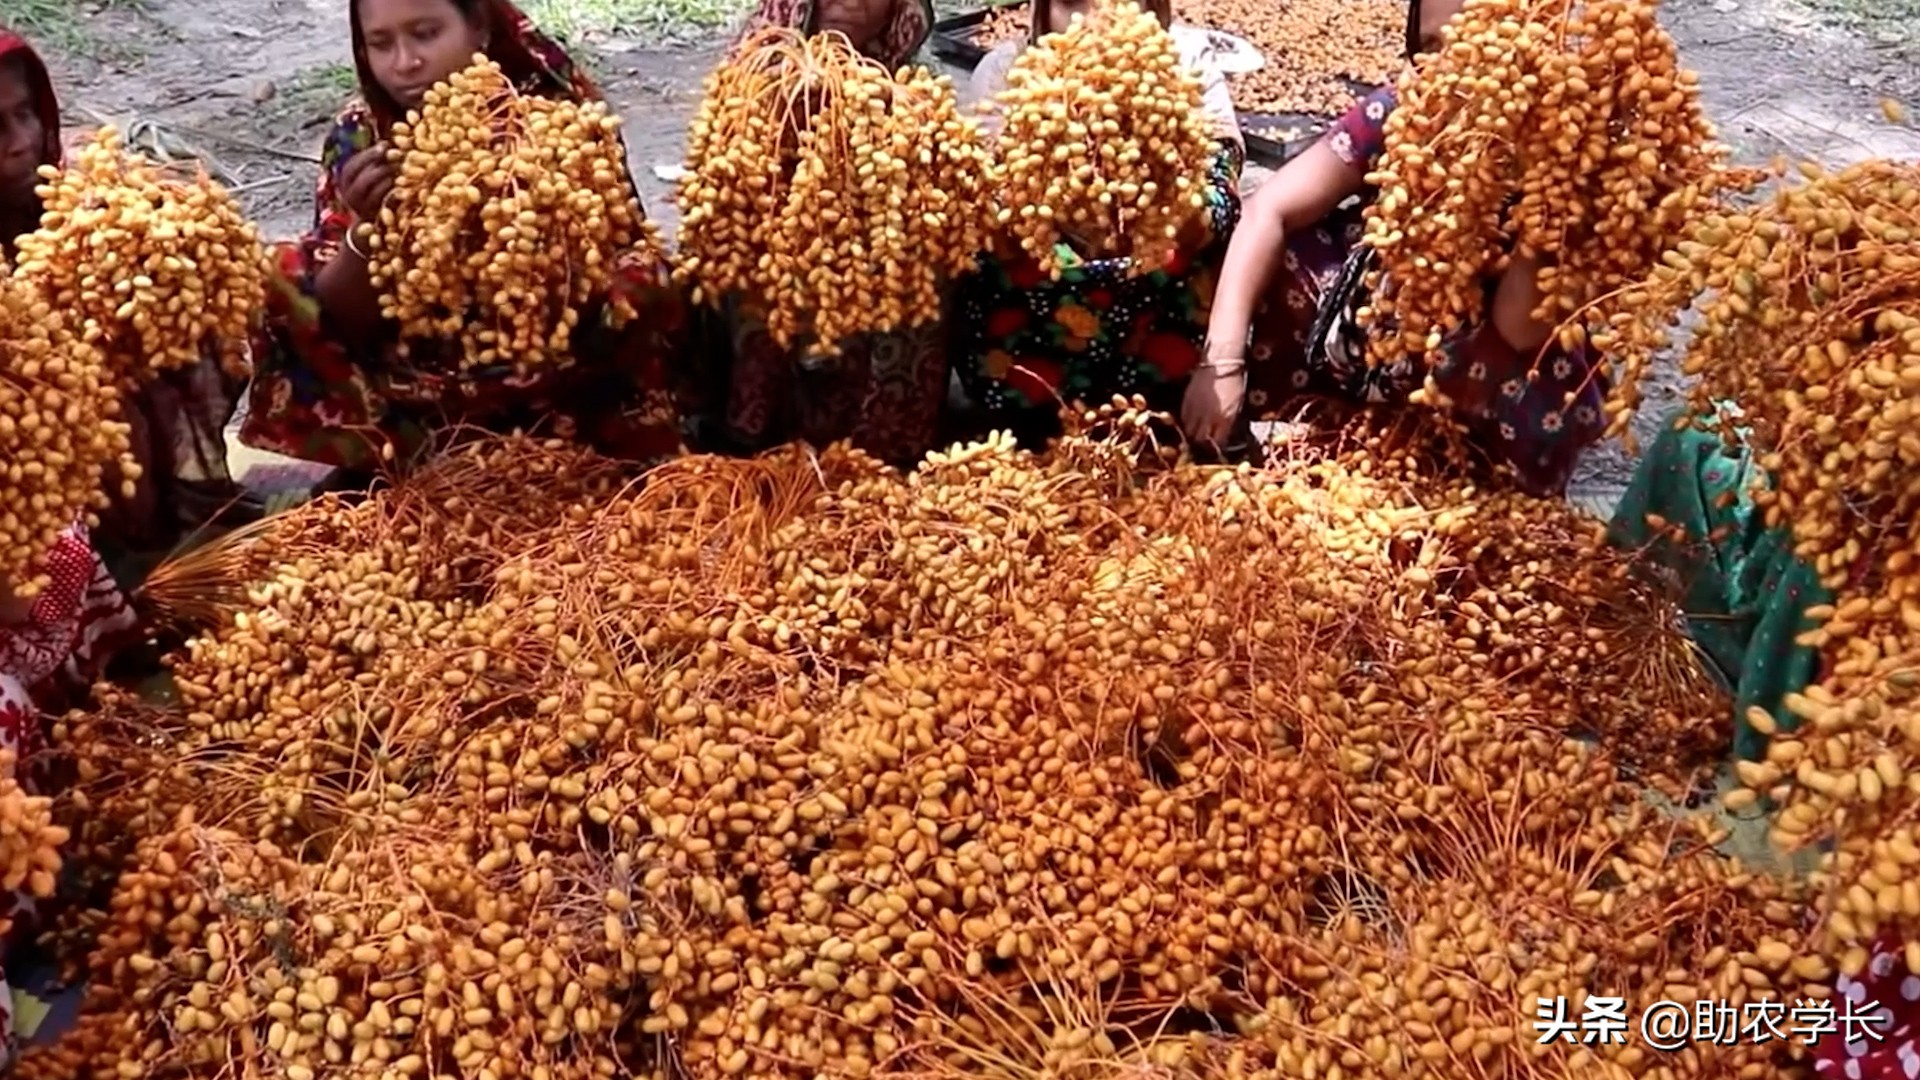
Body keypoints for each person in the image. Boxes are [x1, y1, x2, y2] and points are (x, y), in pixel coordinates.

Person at [241, 0, 685, 481]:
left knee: (647, 275)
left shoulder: (561, 122)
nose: (405, 62)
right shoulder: (361, 138)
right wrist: (367, 231)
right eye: (380, 43)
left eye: (426, 34)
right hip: (419, 388)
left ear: (478, 27)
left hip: (562, 372)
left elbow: (608, 269)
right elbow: (339, 320)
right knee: (279, 283)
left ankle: (594, 443)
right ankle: (403, 454)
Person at [1182, 0, 1606, 494]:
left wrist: (1544, 178)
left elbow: (1519, 324)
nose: (1452, 72)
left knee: (1531, 362)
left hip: (1496, 358)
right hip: (1391, 332)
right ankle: (1345, 435)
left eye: (1477, 46)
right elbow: (1267, 211)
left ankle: (1474, 484)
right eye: (1433, 49)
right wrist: (1222, 363)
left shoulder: (1565, 152)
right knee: (1270, 250)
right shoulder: (1407, 109)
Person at [0, 31, 253, 566]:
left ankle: (178, 516)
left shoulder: (87, 186)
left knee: (174, 309)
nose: (21, 140)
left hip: (97, 405)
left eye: (27, 114)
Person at [951, 0, 1242, 448]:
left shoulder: (1184, 60)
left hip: (1156, 310)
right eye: (1071, 3)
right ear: (1043, 11)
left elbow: (1222, 193)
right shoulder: (1005, 72)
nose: (1096, 17)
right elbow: (986, 212)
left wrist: (1153, 188)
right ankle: (1031, 418)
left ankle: (1162, 405)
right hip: (1038, 326)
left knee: (1191, 241)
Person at [677, 0, 950, 469]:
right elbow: (725, 173)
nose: (852, 3)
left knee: (921, 260)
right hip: (771, 217)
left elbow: (932, 180)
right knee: (738, 254)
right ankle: (755, 428)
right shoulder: (756, 63)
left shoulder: (915, 83)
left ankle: (881, 441)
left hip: (874, 225)